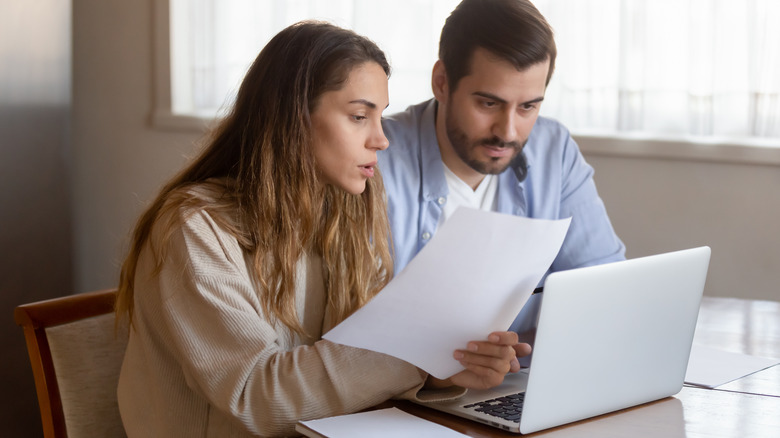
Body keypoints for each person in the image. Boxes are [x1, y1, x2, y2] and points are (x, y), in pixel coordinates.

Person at [114, 21, 524, 437]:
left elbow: (363, 360)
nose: (381, 140)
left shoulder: (345, 208)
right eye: (359, 116)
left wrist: (446, 366)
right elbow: (255, 397)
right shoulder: (195, 229)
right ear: (293, 118)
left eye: (379, 117)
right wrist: (414, 356)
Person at [380, 0, 626, 277]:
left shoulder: (554, 152)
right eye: (489, 104)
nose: (507, 132)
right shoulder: (374, 157)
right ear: (442, 83)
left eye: (527, 107)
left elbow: (602, 278)